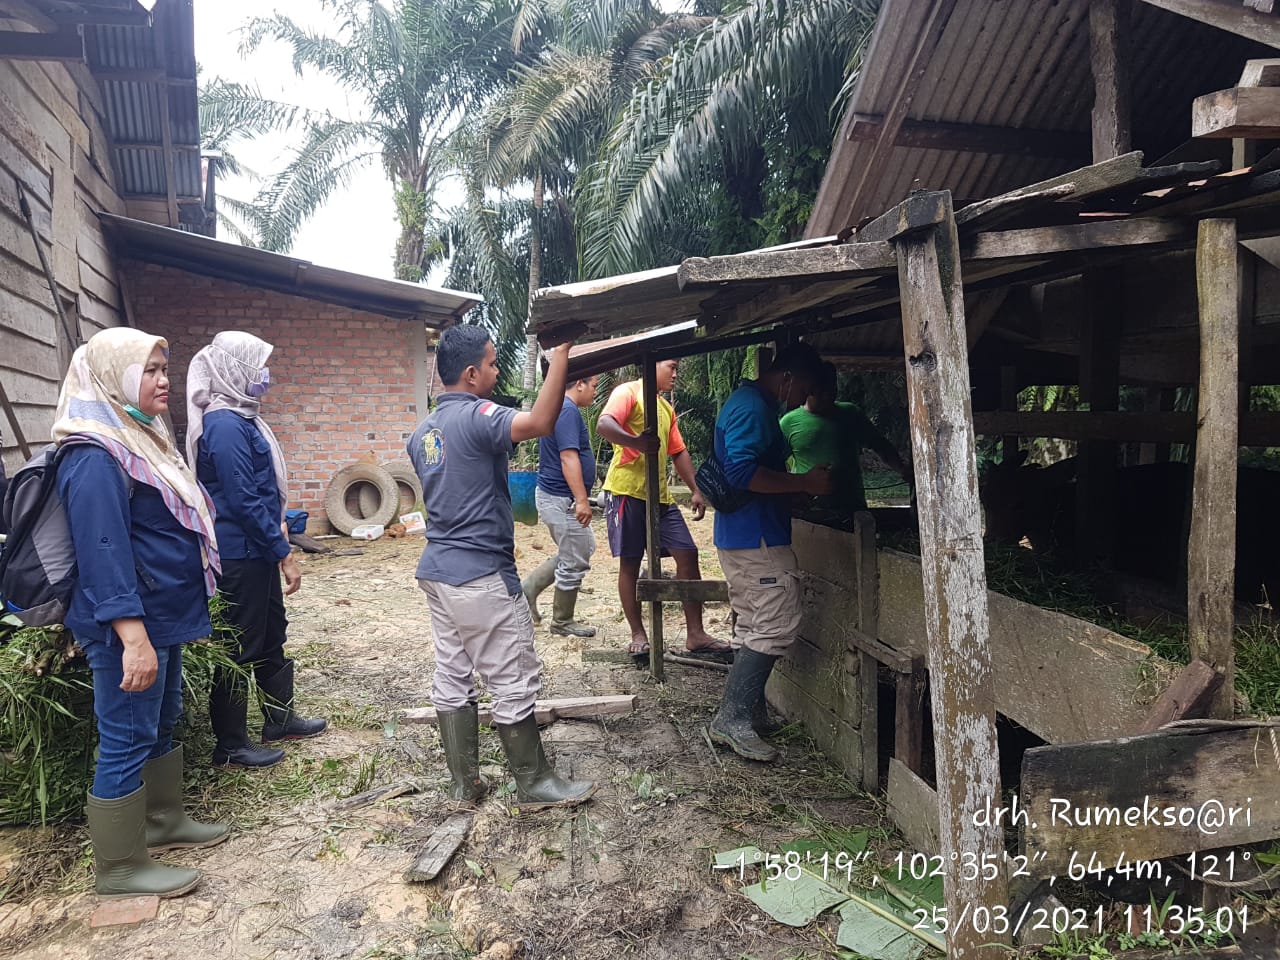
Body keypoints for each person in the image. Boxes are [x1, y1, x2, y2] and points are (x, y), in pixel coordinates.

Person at [56, 328, 229, 899]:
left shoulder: (138, 436)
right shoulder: (92, 454)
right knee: (127, 734)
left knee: (161, 718)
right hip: (128, 624)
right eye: (149, 370)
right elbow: (102, 551)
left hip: (159, 615)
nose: (163, 380)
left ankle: (162, 821)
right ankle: (120, 868)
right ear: (115, 378)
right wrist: (132, 638)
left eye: (163, 368)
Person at [408, 326, 595, 809]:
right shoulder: (477, 415)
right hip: (480, 574)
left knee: (453, 673)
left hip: (438, 571)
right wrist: (560, 356)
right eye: (492, 364)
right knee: (512, 673)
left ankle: (463, 784)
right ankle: (534, 783)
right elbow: (540, 421)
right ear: (471, 374)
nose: (497, 372)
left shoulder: (423, 432)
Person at [187, 331, 326, 769]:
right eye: (258, 366)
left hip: (257, 548)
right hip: (239, 552)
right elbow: (243, 499)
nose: (264, 375)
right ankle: (230, 745)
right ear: (234, 370)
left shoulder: (243, 417)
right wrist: (283, 551)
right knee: (238, 645)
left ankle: (279, 720)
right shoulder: (224, 424)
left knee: (270, 634)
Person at [709, 343, 832, 763]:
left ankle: (749, 712)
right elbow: (740, 472)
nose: (801, 400)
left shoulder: (748, 402)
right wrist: (804, 483)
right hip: (757, 537)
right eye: (804, 390)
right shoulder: (753, 408)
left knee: (752, 621)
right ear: (788, 379)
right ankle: (733, 718)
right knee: (777, 621)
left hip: (742, 535)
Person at [596, 359, 731, 663]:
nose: (675, 373)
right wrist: (636, 442)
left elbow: (678, 451)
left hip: (660, 497)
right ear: (652, 364)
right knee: (630, 562)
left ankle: (696, 634)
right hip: (626, 491)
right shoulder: (628, 392)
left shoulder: (666, 408)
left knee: (688, 553)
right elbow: (604, 424)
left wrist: (695, 489)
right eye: (671, 366)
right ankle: (638, 634)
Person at [520, 369, 599, 637]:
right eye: (594, 385)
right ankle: (562, 621)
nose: (595, 391)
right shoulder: (566, 410)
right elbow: (568, 457)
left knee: (583, 547)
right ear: (580, 384)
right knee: (575, 559)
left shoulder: (564, 408)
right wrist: (581, 500)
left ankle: (530, 587)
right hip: (561, 498)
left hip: (559, 496)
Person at [780, 362, 909, 522]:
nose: (829, 395)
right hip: (812, 513)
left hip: (852, 508)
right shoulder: (788, 423)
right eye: (823, 390)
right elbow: (777, 463)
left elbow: (879, 445)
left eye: (833, 389)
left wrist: (902, 469)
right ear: (810, 389)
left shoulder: (851, 413)